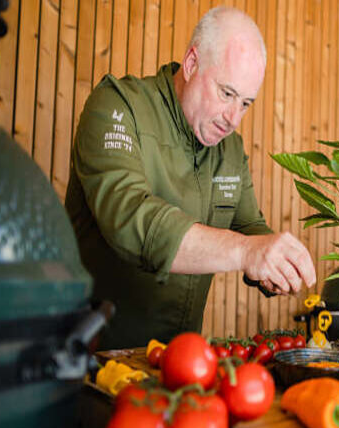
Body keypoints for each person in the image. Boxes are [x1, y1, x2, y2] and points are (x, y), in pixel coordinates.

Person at [65, 7, 316, 350]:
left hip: (178, 363)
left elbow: (249, 226)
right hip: (92, 359)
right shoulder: (117, 106)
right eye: (226, 94)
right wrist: (246, 252)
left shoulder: (230, 150)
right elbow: (129, 218)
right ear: (192, 63)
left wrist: (278, 260)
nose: (233, 118)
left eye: (245, 103)